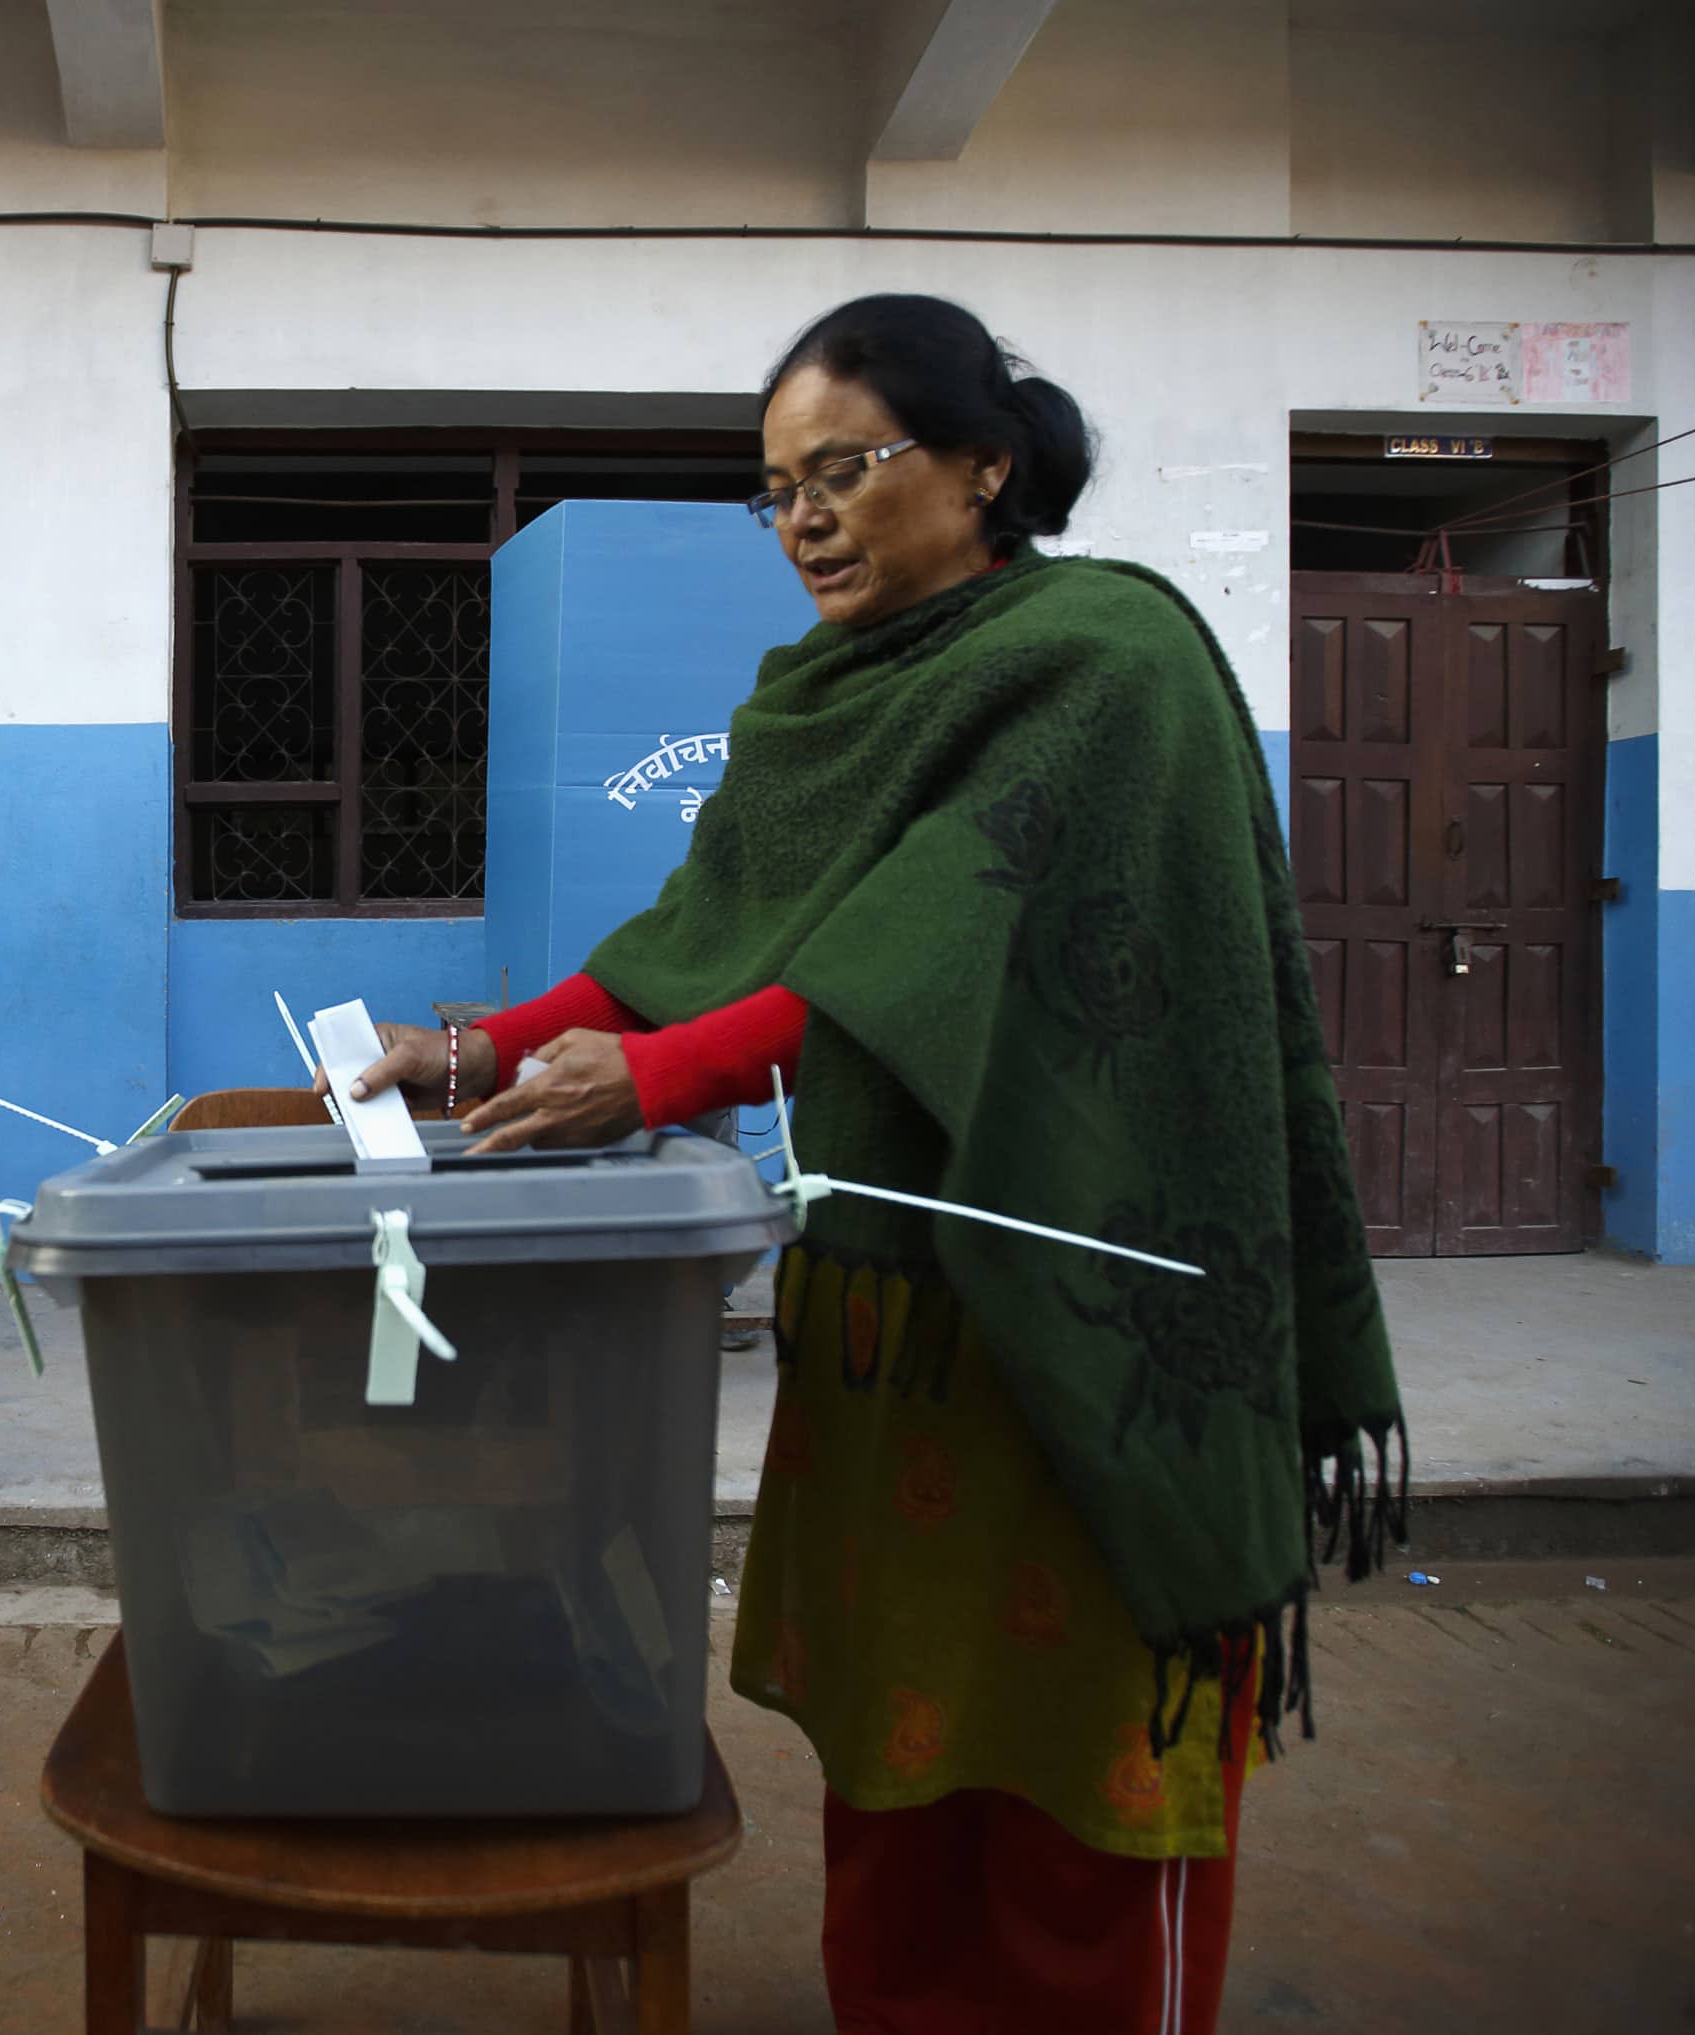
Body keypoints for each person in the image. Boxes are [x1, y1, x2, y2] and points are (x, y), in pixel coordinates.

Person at [348, 295, 1403, 2034]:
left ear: (986, 461)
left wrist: (663, 1077)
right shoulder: (816, 705)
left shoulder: (1106, 663)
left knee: (1078, 1779)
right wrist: (487, 1046)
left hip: (1083, 1309)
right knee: (901, 1760)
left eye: (842, 470)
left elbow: (917, 948)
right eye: (778, 493)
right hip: (903, 1324)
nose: (807, 521)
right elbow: (713, 932)